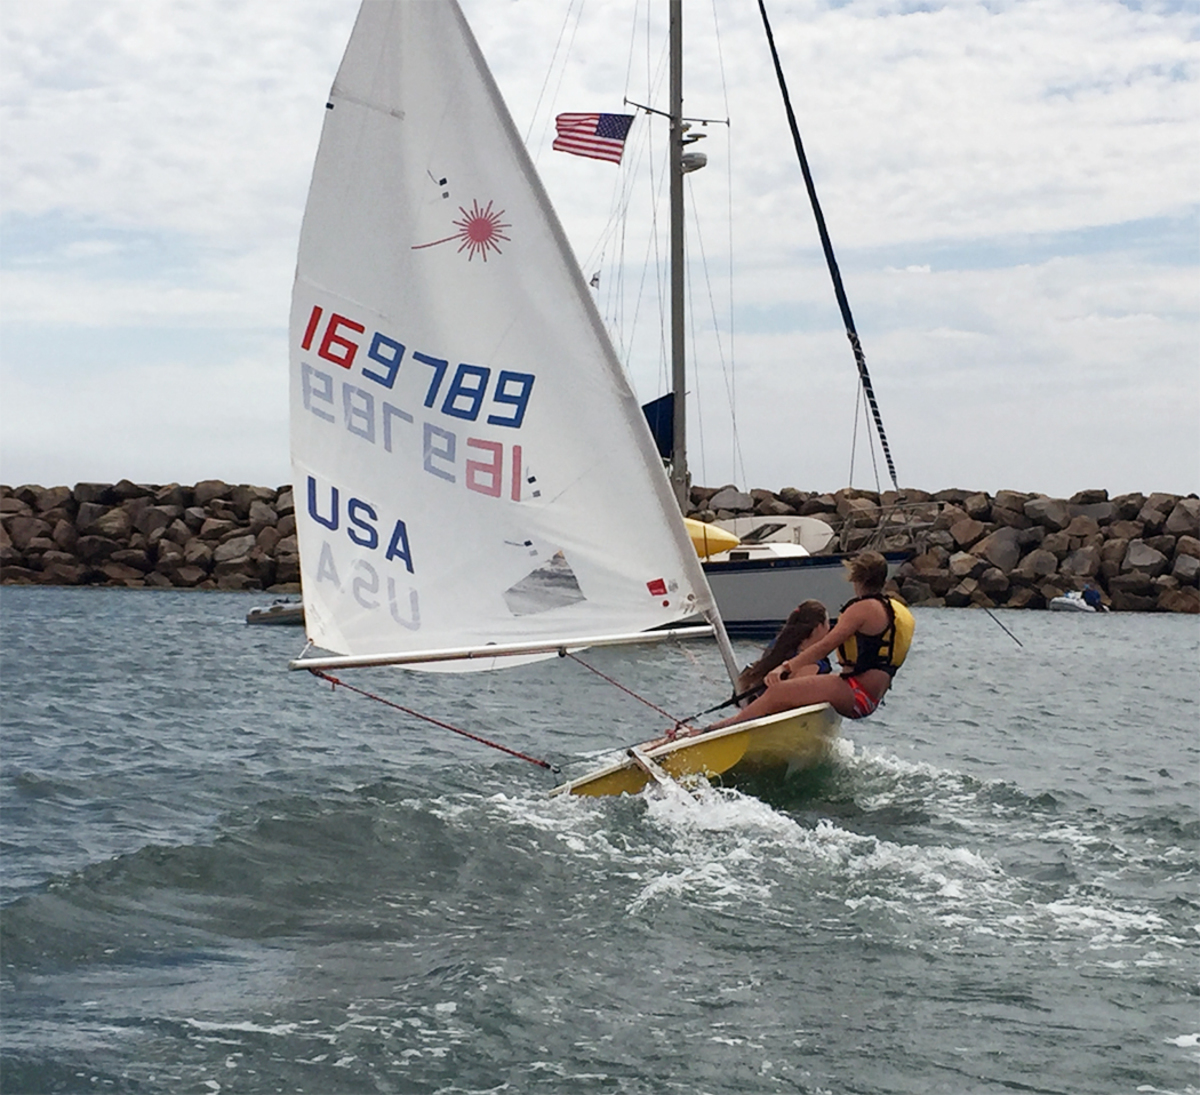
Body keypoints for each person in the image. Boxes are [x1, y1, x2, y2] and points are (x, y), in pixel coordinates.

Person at [703, 551, 914, 728]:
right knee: (786, 695)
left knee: (776, 692)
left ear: (856, 579)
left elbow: (825, 646)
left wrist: (784, 668)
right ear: (884, 580)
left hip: (855, 692)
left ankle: (715, 729)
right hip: (871, 697)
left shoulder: (862, 609)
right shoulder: (894, 610)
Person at [734, 599, 832, 706]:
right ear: (819, 627)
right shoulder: (810, 665)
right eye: (827, 623)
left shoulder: (779, 645)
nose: (829, 628)